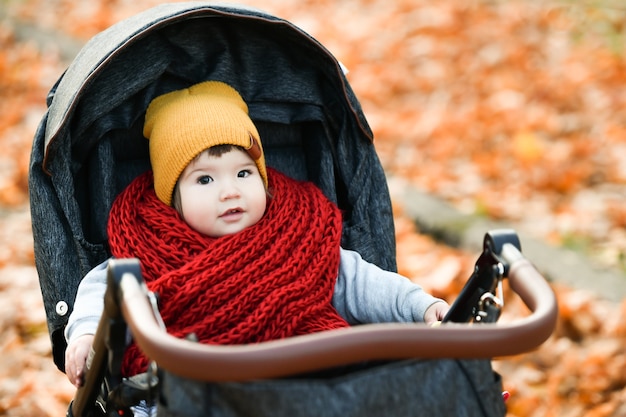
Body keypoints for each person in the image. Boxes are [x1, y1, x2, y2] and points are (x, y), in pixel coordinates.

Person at [64, 80, 449, 401]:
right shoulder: (141, 255)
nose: (230, 191)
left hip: (306, 385)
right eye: (205, 179)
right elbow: (104, 295)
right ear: (173, 198)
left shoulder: (302, 239)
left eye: (244, 173)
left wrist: (419, 306)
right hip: (191, 394)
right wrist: (85, 336)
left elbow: (364, 282)